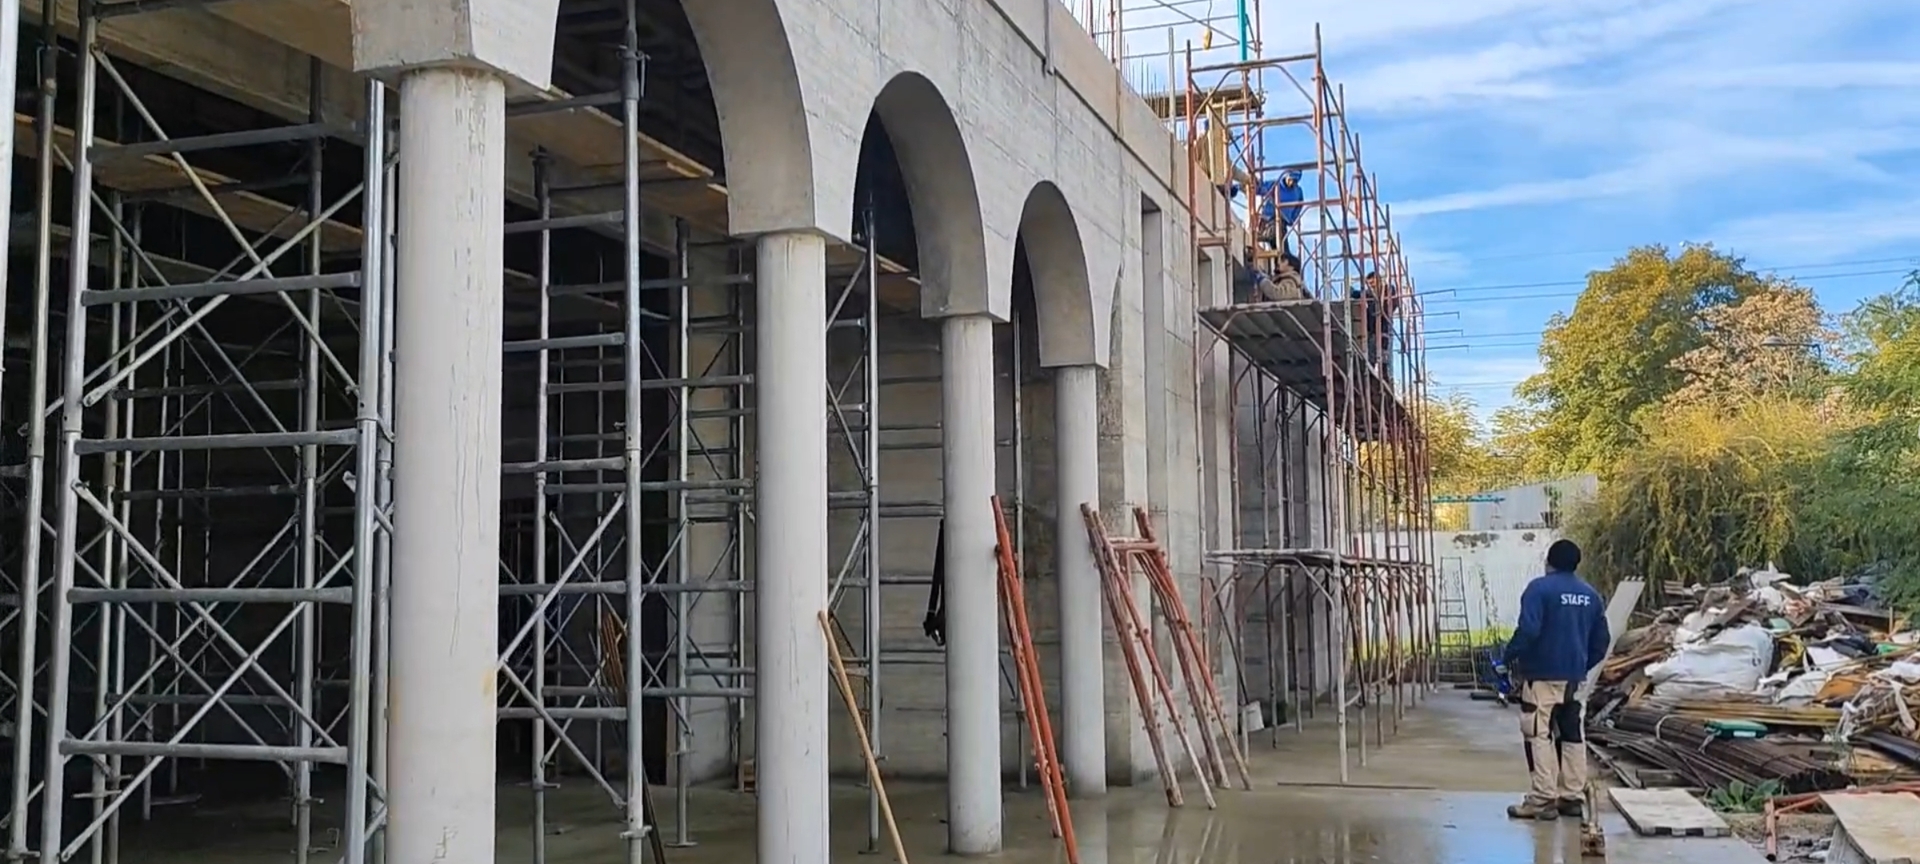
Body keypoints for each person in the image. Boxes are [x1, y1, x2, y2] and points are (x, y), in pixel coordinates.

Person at [1501, 539, 1610, 821]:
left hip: (1541, 677)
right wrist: (1581, 666)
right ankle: (1571, 796)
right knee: (1573, 735)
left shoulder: (1539, 589)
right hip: (1574, 680)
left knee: (1537, 733)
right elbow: (1602, 641)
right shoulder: (1591, 595)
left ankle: (1542, 799)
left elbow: (1528, 629)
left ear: (1549, 561)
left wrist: (1509, 656)